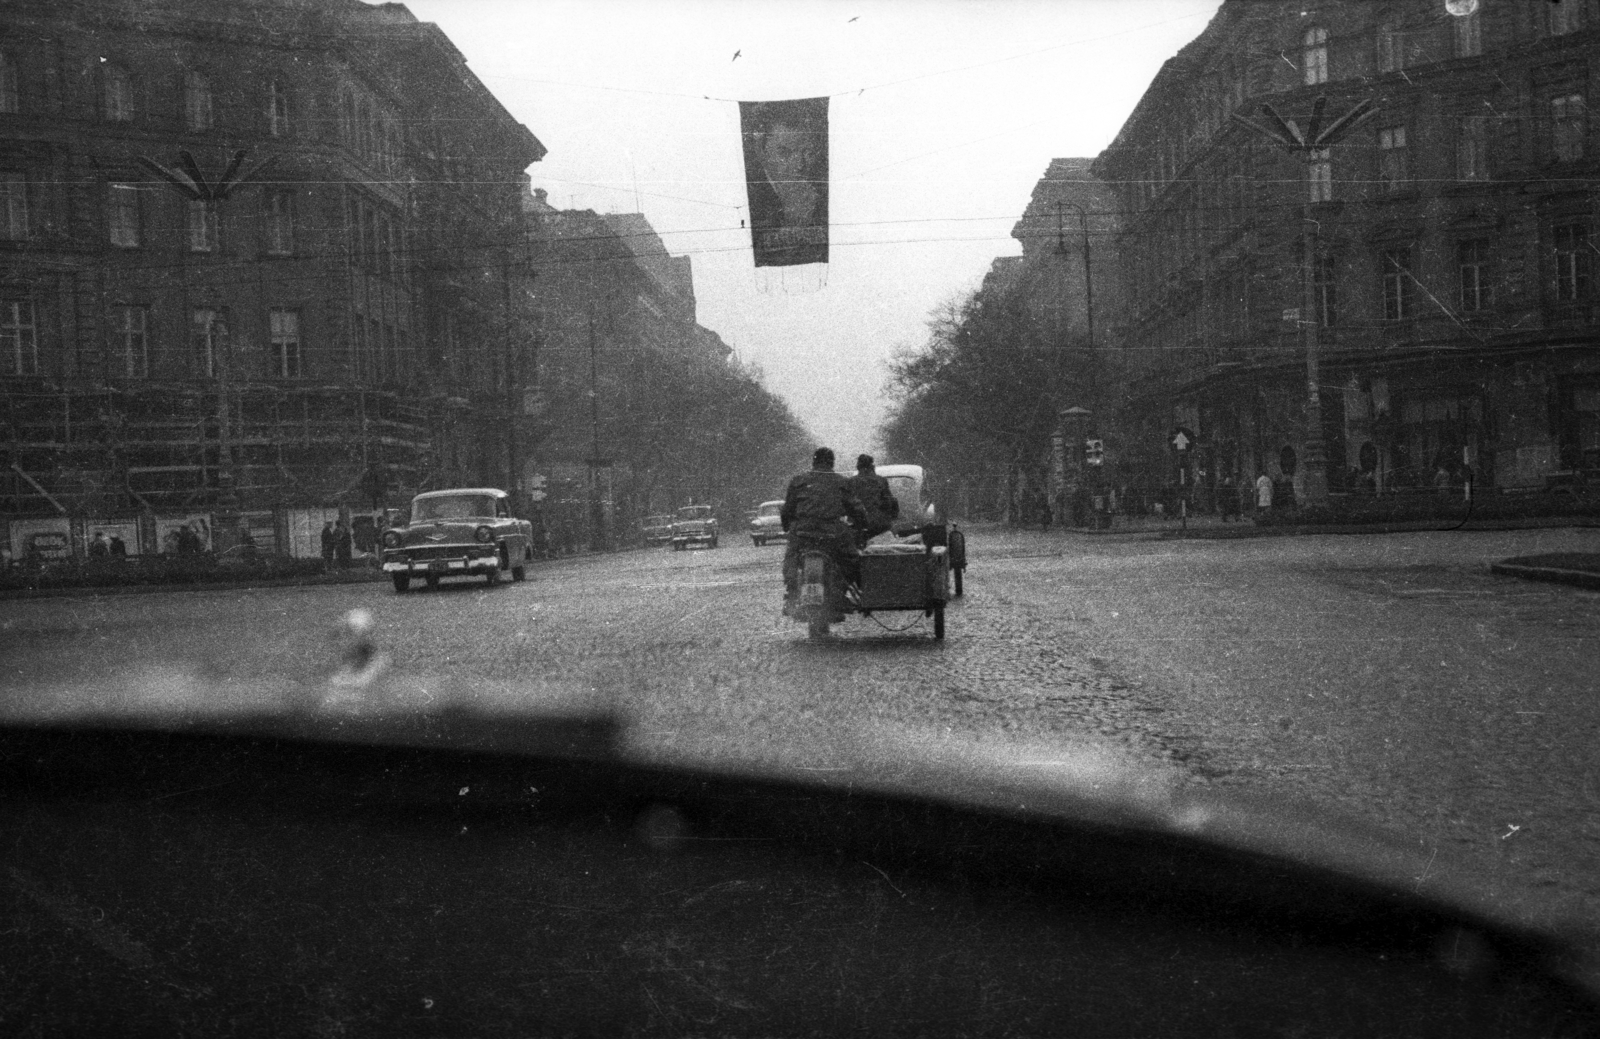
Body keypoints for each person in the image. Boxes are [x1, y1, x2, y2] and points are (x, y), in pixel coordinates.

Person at [779, 447, 866, 614]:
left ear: (814, 461)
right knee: (852, 559)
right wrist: (861, 523)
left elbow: (787, 509)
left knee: (791, 558)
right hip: (832, 533)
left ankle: (792, 592)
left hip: (802, 533)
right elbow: (856, 509)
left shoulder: (798, 480)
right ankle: (840, 592)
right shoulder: (841, 482)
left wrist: (786, 526)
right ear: (832, 462)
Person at [846, 454, 899, 547]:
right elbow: (891, 502)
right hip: (880, 527)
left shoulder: (851, 482)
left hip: (859, 528)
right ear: (872, 466)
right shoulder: (881, 480)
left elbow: (847, 506)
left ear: (858, 467)